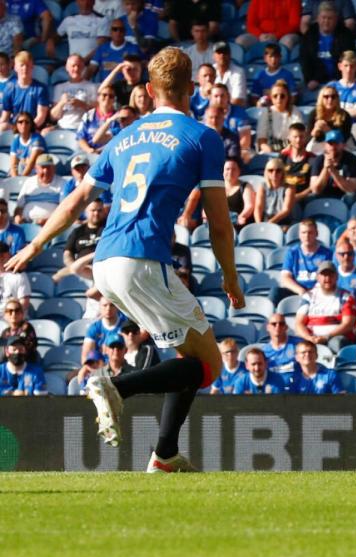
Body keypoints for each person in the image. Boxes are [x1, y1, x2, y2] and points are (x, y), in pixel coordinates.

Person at [5, 47, 245, 473]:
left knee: (183, 360)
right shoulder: (202, 136)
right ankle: (113, 385)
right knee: (207, 367)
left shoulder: (124, 136)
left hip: (106, 261)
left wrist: (35, 244)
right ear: (192, 88)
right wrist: (230, 277)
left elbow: (78, 197)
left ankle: (165, 456)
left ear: (149, 91)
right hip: (144, 259)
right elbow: (220, 225)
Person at [294, 260, 356, 349]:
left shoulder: (346, 297)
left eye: (330, 274)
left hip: (335, 338)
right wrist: (309, 338)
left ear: (336, 277)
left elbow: (348, 325)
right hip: (312, 338)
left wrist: (326, 337)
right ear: (318, 277)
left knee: (337, 343)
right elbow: (299, 323)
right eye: (324, 275)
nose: (327, 278)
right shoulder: (308, 296)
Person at [298, 2, 353, 92]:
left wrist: (338, 79)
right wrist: (312, 79)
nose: (326, 21)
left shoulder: (345, 35)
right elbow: (305, 60)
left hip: (339, 79)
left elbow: (348, 59)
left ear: (336, 19)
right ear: (318, 18)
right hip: (315, 79)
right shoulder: (310, 35)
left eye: (330, 18)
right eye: (323, 18)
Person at [53, 198, 104, 284]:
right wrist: (72, 266)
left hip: (100, 268)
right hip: (80, 269)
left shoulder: (108, 229)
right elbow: (67, 253)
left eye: (99, 210)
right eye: (93, 210)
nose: (96, 213)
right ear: (86, 211)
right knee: (55, 278)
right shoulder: (78, 231)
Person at [308, 129, 356, 200]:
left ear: (343, 145)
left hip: (344, 196)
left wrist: (333, 171)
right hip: (325, 195)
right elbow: (315, 190)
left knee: (351, 197)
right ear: (325, 145)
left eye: (336, 143)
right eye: (330, 143)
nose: (333, 147)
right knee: (310, 198)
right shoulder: (319, 160)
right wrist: (325, 168)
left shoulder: (352, 160)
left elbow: (351, 190)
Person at [0, 50, 47, 131]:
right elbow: (5, 116)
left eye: (28, 65)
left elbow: (41, 117)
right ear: (15, 67)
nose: (25, 68)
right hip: (15, 127)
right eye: (22, 65)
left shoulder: (40, 89)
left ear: (32, 67)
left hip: (34, 127)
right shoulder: (9, 88)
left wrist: (26, 129)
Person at [50, 54, 97, 132]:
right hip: (62, 127)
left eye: (79, 66)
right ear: (67, 68)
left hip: (82, 128)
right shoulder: (59, 87)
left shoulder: (91, 87)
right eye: (73, 66)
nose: (76, 69)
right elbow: (53, 117)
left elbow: (96, 113)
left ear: (83, 68)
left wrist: (82, 104)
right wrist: (62, 103)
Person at [256, 81, 303, 154]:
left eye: (282, 96)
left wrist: (286, 152)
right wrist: (270, 152)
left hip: (291, 148)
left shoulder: (295, 111)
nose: (279, 99)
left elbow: (299, 135)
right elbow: (261, 140)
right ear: (271, 98)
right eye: (275, 96)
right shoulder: (265, 112)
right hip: (270, 149)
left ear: (288, 97)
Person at [14, 154, 60, 224]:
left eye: (48, 167)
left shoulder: (63, 183)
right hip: (27, 224)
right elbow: (19, 207)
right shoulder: (29, 182)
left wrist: (48, 221)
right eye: (43, 167)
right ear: (36, 169)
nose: (45, 171)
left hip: (52, 224)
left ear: (54, 168)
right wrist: (18, 217)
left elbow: (65, 209)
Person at [92, 19, 142, 83]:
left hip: (126, 87)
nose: (118, 32)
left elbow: (136, 68)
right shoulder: (102, 48)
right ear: (110, 32)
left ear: (125, 32)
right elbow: (92, 68)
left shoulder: (133, 48)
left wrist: (114, 66)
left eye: (121, 30)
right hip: (106, 88)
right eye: (115, 29)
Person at [8, 110, 43, 176]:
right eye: (20, 122)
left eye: (27, 122)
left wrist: (21, 181)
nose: (24, 125)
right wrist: (15, 179)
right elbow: (13, 165)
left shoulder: (37, 139)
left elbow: (31, 164)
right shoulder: (16, 140)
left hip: (35, 173)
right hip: (21, 172)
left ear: (31, 124)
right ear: (16, 124)